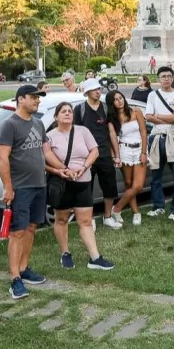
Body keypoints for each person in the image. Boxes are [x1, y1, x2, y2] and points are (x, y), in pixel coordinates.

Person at [0, 84, 68, 299]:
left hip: (39, 184)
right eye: (33, 97)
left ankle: (24, 268)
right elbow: (2, 158)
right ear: (20, 99)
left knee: (31, 228)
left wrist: (62, 169)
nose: (37, 101)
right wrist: (8, 187)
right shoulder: (9, 125)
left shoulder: (38, 123)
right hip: (20, 187)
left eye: (38, 98)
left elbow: (46, 151)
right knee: (17, 232)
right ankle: (14, 278)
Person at [46, 103, 114, 270]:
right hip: (62, 183)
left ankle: (95, 257)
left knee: (85, 221)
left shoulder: (83, 131)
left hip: (83, 182)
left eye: (70, 111)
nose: (68, 114)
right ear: (56, 117)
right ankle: (65, 253)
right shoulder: (49, 136)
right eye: (63, 111)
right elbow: (45, 159)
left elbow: (94, 151)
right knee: (61, 220)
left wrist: (84, 168)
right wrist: (63, 170)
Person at [73, 79, 120, 230]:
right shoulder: (79, 109)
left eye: (99, 89)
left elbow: (112, 132)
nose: (98, 92)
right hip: (86, 157)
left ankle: (107, 217)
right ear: (87, 92)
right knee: (87, 190)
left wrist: (116, 154)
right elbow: (75, 134)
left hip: (105, 154)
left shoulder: (106, 108)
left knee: (110, 188)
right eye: (94, 90)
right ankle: (90, 219)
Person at [145, 66, 174, 221]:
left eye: (169, 76)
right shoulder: (153, 95)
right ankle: (158, 206)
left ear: (173, 78)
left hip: (173, 137)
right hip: (156, 138)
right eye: (163, 76)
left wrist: (159, 116)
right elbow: (148, 116)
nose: (166, 79)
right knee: (156, 176)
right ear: (158, 79)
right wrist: (169, 117)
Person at [107, 90, 148, 226]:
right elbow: (112, 138)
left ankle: (116, 208)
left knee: (138, 185)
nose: (120, 101)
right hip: (124, 150)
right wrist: (116, 156)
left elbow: (143, 131)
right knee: (128, 183)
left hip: (139, 149)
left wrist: (143, 152)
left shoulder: (136, 111)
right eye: (116, 99)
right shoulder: (112, 118)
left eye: (121, 97)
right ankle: (136, 213)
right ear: (112, 103)